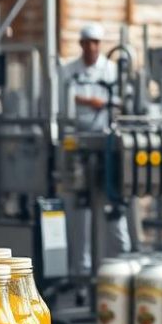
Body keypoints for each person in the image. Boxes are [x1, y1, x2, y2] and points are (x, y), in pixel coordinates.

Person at [60, 24, 131, 268]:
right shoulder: (69, 70)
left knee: (114, 208)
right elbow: (61, 96)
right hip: (77, 146)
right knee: (80, 214)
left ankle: (120, 266)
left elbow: (124, 100)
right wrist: (87, 100)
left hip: (108, 147)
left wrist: (109, 104)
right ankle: (81, 270)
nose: (91, 47)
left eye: (95, 43)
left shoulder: (111, 70)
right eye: (87, 42)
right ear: (80, 44)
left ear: (100, 45)